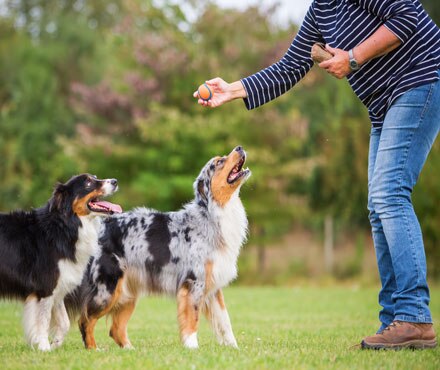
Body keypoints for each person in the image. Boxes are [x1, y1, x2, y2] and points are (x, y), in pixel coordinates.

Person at [193, 0, 439, 350]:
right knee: (378, 204)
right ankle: (395, 321)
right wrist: (232, 89)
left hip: (420, 80)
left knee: (389, 195)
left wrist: (353, 57)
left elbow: (408, 16)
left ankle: (414, 317)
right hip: (384, 104)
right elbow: (289, 68)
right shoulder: (322, 9)